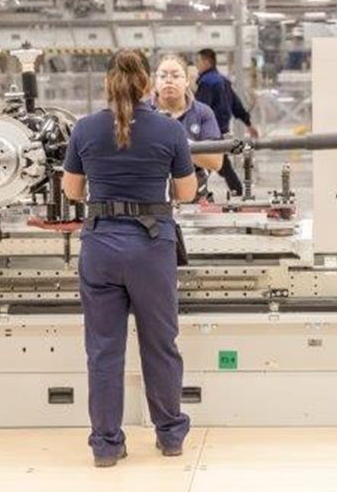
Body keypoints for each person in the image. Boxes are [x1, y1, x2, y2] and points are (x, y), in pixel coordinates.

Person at [61, 50, 196, 468]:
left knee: (103, 351)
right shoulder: (168, 131)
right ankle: (170, 435)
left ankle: (106, 444)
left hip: (100, 245)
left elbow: (71, 191)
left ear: (109, 83)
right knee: (159, 345)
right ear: (146, 85)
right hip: (151, 248)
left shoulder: (85, 129)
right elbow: (187, 193)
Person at [152, 53, 224, 196]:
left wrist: (179, 142)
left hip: (196, 200)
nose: (168, 80)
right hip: (152, 201)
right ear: (155, 81)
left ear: (186, 81)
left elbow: (216, 161)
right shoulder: (142, 112)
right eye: (163, 76)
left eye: (175, 75)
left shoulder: (202, 113)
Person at [194, 48, 257, 195]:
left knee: (203, 165)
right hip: (222, 132)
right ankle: (239, 193)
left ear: (206, 62)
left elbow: (200, 111)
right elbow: (236, 105)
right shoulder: (223, 81)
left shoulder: (206, 83)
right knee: (222, 166)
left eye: (198, 61)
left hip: (208, 135)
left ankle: (194, 195)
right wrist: (249, 123)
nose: (197, 65)